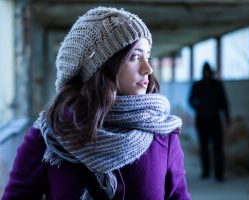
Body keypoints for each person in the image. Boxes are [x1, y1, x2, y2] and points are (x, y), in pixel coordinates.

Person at [2, 7, 190, 200]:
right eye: (135, 57)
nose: (147, 68)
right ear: (101, 67)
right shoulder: (50, 136)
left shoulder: (162, 136)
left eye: (147, 56)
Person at [189, 62, 230, 182]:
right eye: (205, 71)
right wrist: (199, 109)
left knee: (218, 148)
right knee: (204, 148)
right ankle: (206, 172)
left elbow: (224, 102)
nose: (207, 73)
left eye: (208, 71)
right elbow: (191, 100)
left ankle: (219, 174)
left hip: (215, 120)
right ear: (203, 72)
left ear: (211, 72)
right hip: (201, 120)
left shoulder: (217, 85)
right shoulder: (197, 85)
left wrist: (227, 118)